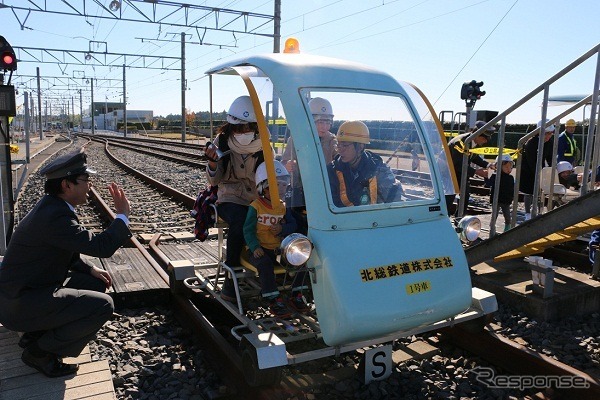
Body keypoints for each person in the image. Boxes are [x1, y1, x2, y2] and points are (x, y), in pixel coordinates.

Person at [0, 150, 131, 378]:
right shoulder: (55, 216)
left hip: (24, 294)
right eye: (85, 180)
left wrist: (90, 269)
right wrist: (122, 215)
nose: (90, 185)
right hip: (18, 304)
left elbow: (63, 250)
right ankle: (39, 352)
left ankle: (36, 332)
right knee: (103, 305)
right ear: (66, 185)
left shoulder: (52, 207)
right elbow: (102, 247)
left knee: (95, 283)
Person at [205, 95, 264, 302]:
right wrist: (212, 164)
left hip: (257, 198)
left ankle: (271, 270)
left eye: (249, 127)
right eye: (240, 128)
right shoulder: (221, 142)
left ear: (256, 126)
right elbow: (214, 182)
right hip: (229, 197)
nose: (244, 132)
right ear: (231, 126)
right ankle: (231, 276)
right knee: (240, 219)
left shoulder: (264, 145)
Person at [243, 161, 309, 317]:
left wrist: (282, 229)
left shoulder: (283, 206)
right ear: (264, 188)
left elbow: (293, 224)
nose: (281, 189)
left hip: (278, 249)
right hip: (260, 249)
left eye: (284, 185)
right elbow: (248, 230)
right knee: (264, 265)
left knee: (301, 261)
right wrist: (254, 247)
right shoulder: (256, 207)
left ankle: (297, 294)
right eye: (277, 185)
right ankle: (273, 299)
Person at [281, 97, 337, 233]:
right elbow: (283, 164)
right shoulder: (296, 139)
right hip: (299, 195)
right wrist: (287, 166)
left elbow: (339, 158)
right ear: (310, 120)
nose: (325, 127)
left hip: (326, 194)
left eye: (328, 122)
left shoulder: (332, 141)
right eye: (320, 122)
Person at [327, 120, 404, 207]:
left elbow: (394, 199)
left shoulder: (378, 169)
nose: (340, 149)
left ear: (360, 147)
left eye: (345, 145)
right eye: (338, 145)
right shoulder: (331, 171)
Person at [447, 120, 495, 215]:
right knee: (448, 199)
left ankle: (459, 219)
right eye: (485, 138)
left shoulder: (471, 141)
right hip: (448, 174)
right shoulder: (461, 142)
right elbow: (458, 164)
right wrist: (476, 172)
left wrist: (487, 165)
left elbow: (474, 156)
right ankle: (443, 221)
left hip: (460, 174)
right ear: (477, 135)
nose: (485, 141)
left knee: (464, 197)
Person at [519, 119, 556, 220]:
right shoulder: (531, 142)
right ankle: (527, 213)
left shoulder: (549, 142)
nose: (548, 136)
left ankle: (538, 211)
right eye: (546, 134)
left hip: (539, 168)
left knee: (540, 191)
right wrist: (538, 172)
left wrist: (553, 168)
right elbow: (531, 160)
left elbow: (550, 157)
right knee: (529, 192)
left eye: (550, 134)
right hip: (527, 170)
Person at [486, 154, 515, 232]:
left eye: (510, 167)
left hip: (506, 201)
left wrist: (511, 198)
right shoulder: (495, 176)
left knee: (508, 216)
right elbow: (488, 184)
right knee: (494, 215)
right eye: (506, 167)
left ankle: (507, 228)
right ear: (498, 166)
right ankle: (492, 228)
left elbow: (512, 189)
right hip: (497, 200)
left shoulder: (511, 178)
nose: (509, 169)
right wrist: (488, 174)